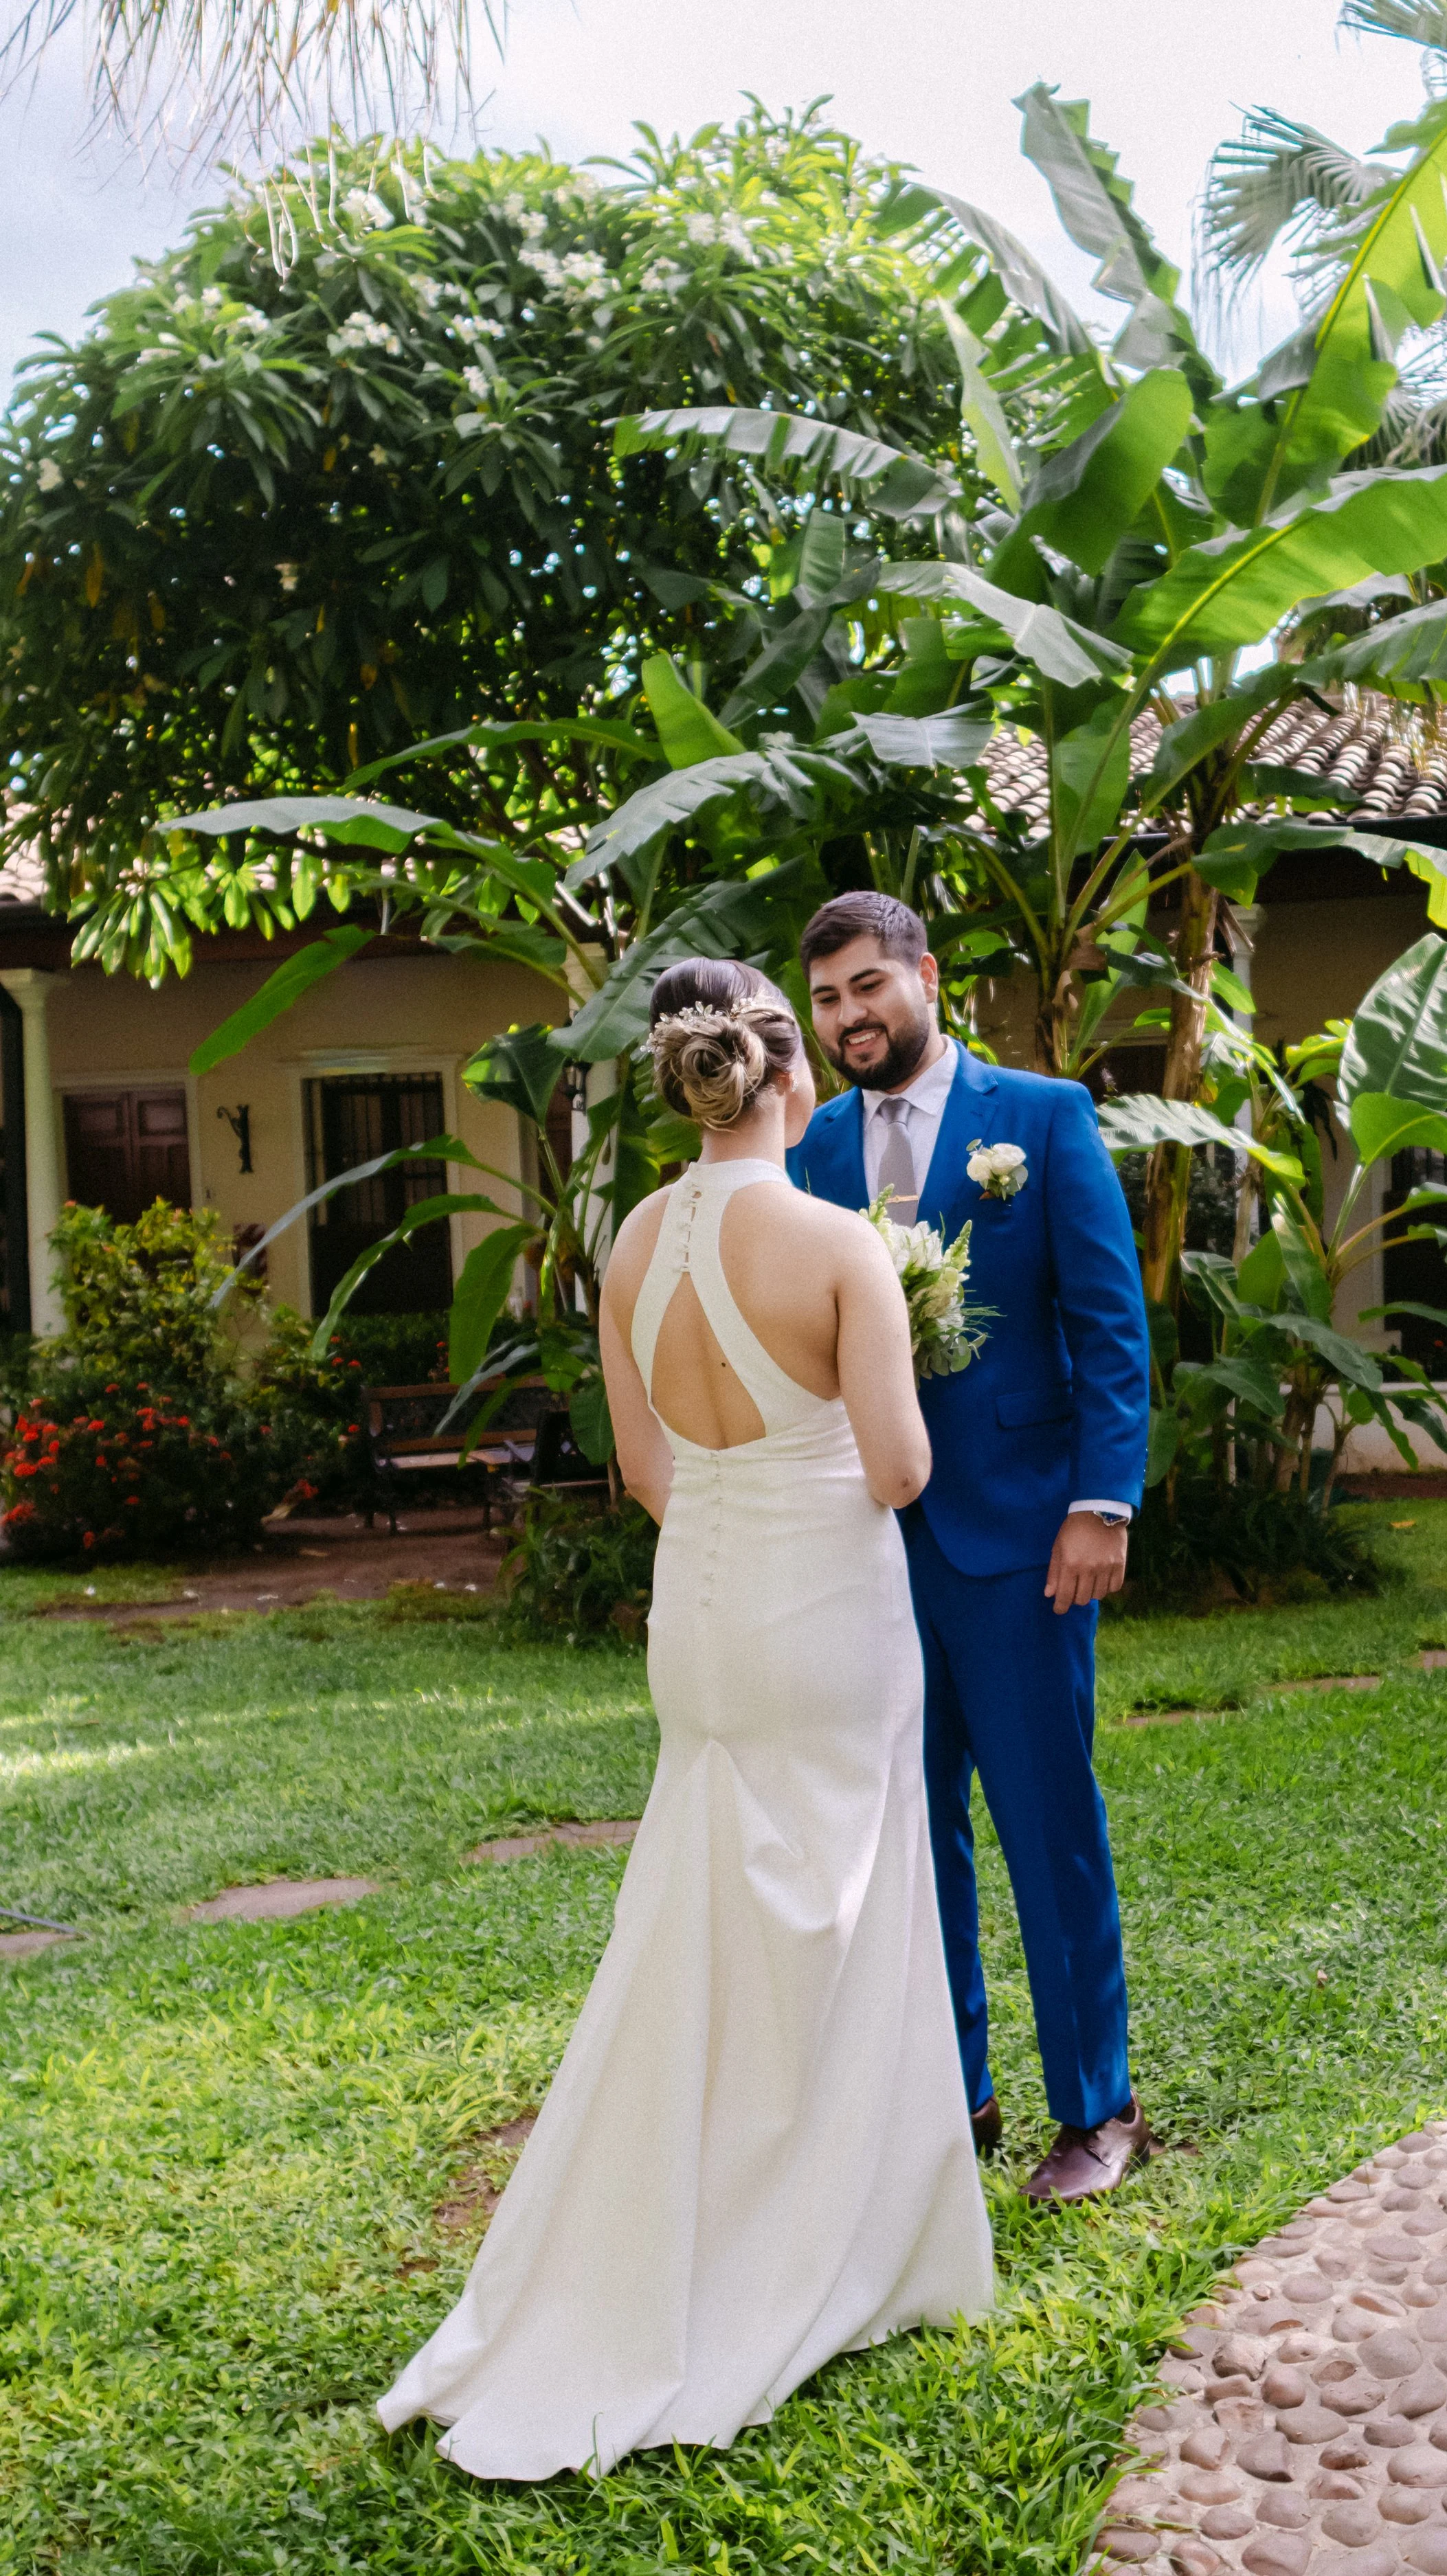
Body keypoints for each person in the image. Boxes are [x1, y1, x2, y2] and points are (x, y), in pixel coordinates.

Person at [376, 958, 992, 2482]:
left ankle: (677, 2217)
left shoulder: (635, 1242)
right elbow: (900, 1472)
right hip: (827, 1615)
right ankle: (823, 2246)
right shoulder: (842, 1245)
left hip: (700, 1621)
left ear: (682, 1078)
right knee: (839, 1920)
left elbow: (647, 1474)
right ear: (788, 1076)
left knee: (709, 1912)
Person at [786, 891, 1152, 2206]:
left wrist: (1101, 1502)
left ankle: (1098, 2108)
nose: (850, 1018)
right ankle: (956, 2094)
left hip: (1024, 1538)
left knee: (1046, 1823)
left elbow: (1110, 1323)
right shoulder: (816, 1146)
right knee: (908, 1829)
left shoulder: (1041, 1118)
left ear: (926, 976)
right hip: (873, 1548)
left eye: (870, 987)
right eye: (827, 999)